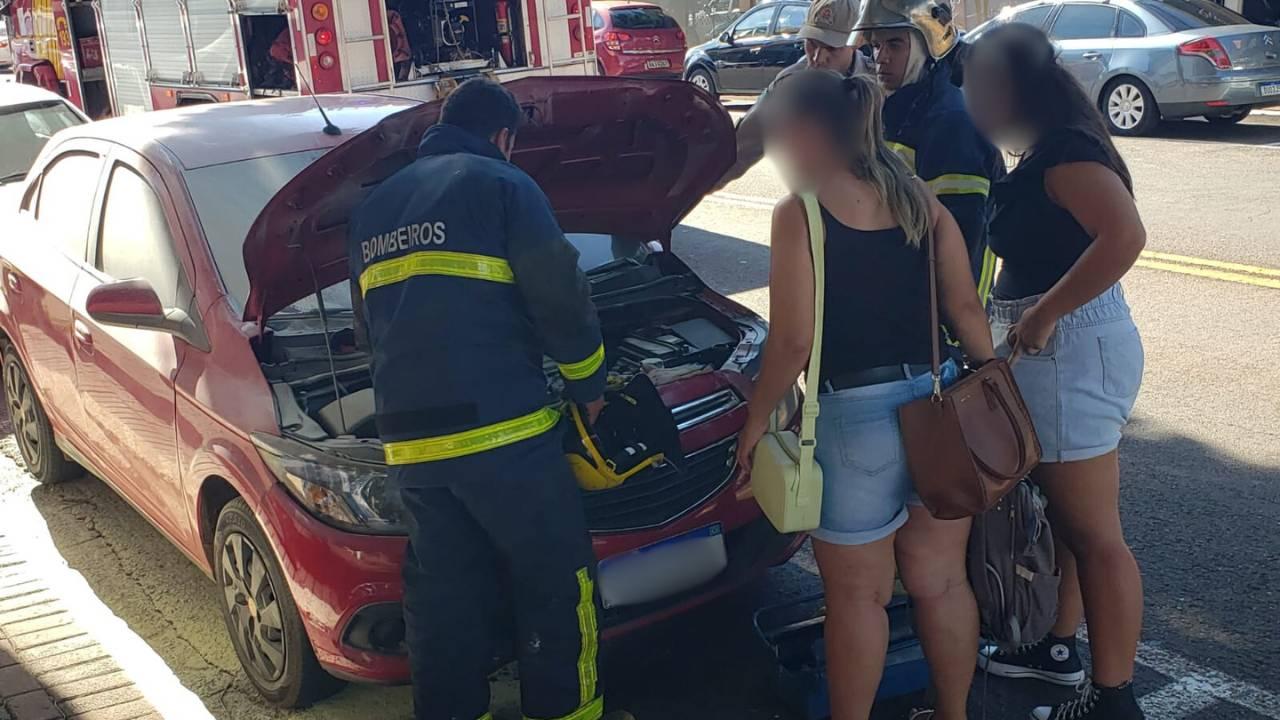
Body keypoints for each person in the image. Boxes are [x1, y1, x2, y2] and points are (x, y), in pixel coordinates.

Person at [346, 78, 631, 720]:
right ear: (504, 137)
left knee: (444, 604)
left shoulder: (373, 209)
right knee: (558, 587)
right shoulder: (503, 183)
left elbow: (371, 330)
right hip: (506, 441)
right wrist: (589, 390)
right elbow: (560, 296)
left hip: (413, 450)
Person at [735, 70, 995, 720]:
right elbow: (965, 308)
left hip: (852, 425)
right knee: (941, 582)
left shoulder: (802, 212)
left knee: (859, 600)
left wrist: (755, 422)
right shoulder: (919, 200)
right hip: (936, 409)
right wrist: (995, 399)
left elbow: (792, 343)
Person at [964, 23, 1148, 720]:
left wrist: (1042, 313)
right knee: (1075, 524)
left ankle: (1114, 697)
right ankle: (1062, 648)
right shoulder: (1051, 147)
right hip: (1066, 348)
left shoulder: (1066, 156)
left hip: (1068, 350)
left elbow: (1125, 235)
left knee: (1096, 535)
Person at [854, 0, 1002, 301]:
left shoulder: (951, 122)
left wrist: (951, 330)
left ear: (928, 43)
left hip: (944, 307)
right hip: (905, 289)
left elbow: (964, 236)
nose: (881, 57)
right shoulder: (896, 105)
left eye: (895, 44)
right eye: (876, 45)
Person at [717, 0, 874, 187]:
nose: (818, 58)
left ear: (856, 41)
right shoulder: (788, 86)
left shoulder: (878, 82)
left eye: (832, 48)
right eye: (812, 44)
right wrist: (689, 189)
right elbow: (738, 153)